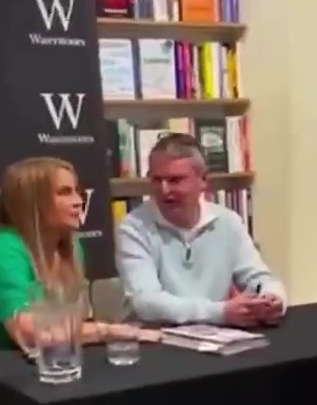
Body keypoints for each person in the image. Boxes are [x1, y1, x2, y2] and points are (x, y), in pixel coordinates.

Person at [0, 157, 124, 351]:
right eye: (64, 193)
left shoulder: (71, 244)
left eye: (77, 191)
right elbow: (31, 334)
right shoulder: (2, 249)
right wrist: (113, 331)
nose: (78, 202)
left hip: (43, 359)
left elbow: (69, 323)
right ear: (32, 202)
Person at [116, 133, 286, 326]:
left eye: (175, 180)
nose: (164, 190)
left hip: (214, 336)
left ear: (203, 180)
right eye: (156, 179)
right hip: (153, 339)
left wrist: (271, 299)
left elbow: (259, 277)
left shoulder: (227, 222)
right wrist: (219, 312)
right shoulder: (134, 227)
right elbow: (146, 302)